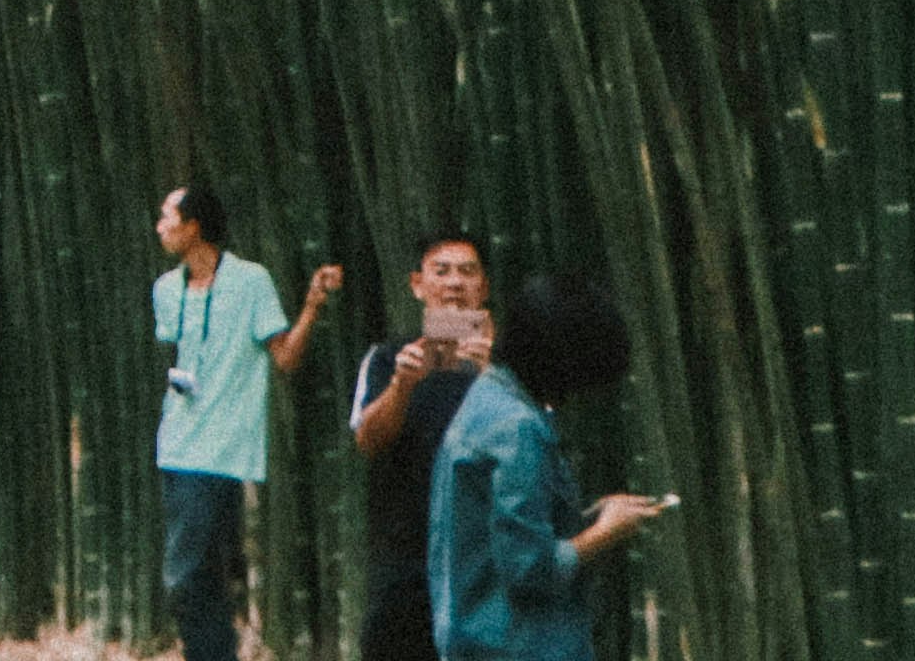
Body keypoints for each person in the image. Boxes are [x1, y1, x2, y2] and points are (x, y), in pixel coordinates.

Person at [146, 184, 338, 661]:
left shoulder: (251, 281)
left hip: (226, 450)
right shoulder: (166, 290)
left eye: (167, 217)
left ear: (194, 226)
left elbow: (286, 358)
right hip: (177, 446)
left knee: (187, 575)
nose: (159, 227)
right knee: (201, 578)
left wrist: (312, 305)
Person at [431, 272, 665, 661]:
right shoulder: (517, 429)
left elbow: (501, 534)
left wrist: (591, 517)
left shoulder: (487, 398)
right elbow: (529, 569)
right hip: (515, 645)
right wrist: (604, 534)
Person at [342, 232, 495, 661]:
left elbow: (537, 445)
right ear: (417, 285)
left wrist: (493, 377)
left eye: (467, 271)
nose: (453, 283)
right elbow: (368, 441)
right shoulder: (389, 357)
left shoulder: (509, 363)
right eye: (441, 271)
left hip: (485, 552)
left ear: (483, 288)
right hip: (404, 552)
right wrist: (401, 387)